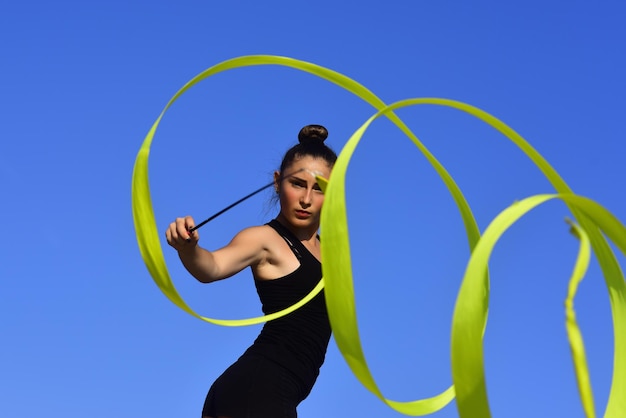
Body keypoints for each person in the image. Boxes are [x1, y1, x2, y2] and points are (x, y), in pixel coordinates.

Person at [165, 124, 336, 418]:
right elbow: (212, 266)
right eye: (297, 183)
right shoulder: (264, 239)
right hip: (257, 389)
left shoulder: (330, 254)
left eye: (320, 188)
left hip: (276, 394)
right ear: (277, 182)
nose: (307, 198)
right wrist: (188, 248)